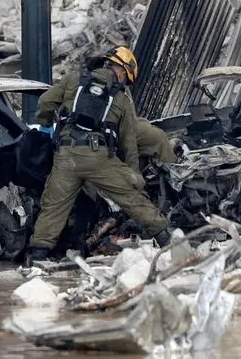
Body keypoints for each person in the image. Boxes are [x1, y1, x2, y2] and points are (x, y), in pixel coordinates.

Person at [26, 46, 169, 263]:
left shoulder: (73, 80)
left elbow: (45, 102)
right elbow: (128, 141)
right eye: (126, 78)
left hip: (66, 157)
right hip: (98, 158)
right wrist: (134, 174)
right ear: (121, 70)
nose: (125, 82)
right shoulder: (121, 99)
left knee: (53, 207)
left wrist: (45, 121)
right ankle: (168, 239)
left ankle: (37, 256)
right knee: (132, 198)